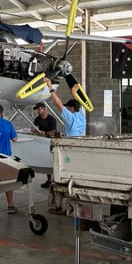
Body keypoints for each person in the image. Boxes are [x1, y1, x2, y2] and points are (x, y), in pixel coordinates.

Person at [44, 78, 86, 214]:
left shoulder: (71, 116)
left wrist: (50, 87)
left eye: (69, 107)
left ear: (71, 109)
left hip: (69, 149)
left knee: (63, 177)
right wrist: (74, 92)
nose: (67, 108)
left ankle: (60, 205)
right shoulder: (81, 115)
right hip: (80, 148)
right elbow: (81, 103)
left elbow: (57, 103)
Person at [31, 102, 57, 189]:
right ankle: (49, 180)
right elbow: (33, 128)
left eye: (39, 109)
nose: (37, 111)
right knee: (44, 160)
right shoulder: (37, 119)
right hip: (40, 142)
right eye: (37, 110)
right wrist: (34, 131)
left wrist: (45, 133)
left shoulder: (51, 119)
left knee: (51, 160)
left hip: (49, 142)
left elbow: (53, 132)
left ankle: (55, 180)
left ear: (44, 109)